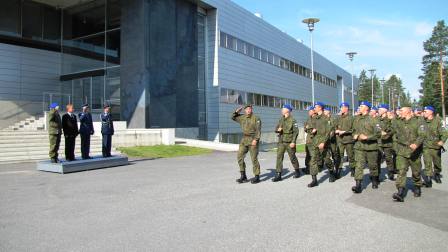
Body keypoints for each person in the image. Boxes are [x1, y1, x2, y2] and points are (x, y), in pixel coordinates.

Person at [392, 107, 425, 202]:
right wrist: (395, 146)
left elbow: (422, 135)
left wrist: (416, 144)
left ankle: (417, 186)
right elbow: (394, 134)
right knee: (401, 171)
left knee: (416, 172)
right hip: (401, 151)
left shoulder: (418, 122)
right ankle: (400, 192)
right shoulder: (399, 122)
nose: (400, 112)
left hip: (414, 152)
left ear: (408, 112)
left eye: (402, 111)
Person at [351, 101, 381, 193]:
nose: (359, 107)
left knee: (373, 165)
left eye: (362, 106)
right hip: (359, 146)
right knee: (359, 165)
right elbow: (353, 130)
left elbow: (379, 134)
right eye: (360, 106)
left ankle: (375, 180)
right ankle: (358, 185)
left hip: (371, 147)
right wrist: (355, 135)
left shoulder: (374, 119)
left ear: (367, 108)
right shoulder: (356, 119)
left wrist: (367, 137)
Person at [231, 104, 262, 184]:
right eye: (247, 109)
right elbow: (233, 117)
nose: (248, 110)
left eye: (250, 109)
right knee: (239, 156)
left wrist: (256, 139)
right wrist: (236, 112)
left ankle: (257, 176)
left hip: (253, 139)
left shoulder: (256, 118)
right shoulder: (242, 117)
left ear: (251, 109)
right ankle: (243, 176)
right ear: (245, 110)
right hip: (244, 139)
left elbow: (258, 130)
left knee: (254, 159)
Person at [273, 104, 300, 182]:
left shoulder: (293, 120)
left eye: (283, 108)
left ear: (288, 110)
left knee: (292, 157)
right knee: (279, 157)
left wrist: (293, 142)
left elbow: (296, 132)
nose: (282, 110)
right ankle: (278, 174)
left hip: (289, 142)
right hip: (281, 141)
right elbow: (276, 129)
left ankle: (297, 170)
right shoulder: (281, 119)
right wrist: (278, 129)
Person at [422, 106, 447, 186]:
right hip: (426, 146)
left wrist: (442, 141)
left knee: (437, 163)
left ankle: (436, 173)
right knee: (427, 162)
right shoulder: (422, 121)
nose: (424, 112)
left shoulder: (438, 121)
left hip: (436, 146)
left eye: (425, 111)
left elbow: (445, 132)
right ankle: (428, 179)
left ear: (431, 112)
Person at [307, 102, 331, 188]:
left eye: (316, 107)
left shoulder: (326, 118)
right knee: (313, 160)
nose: (314, 108)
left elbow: (328, 132)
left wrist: (323, 142)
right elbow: (308, 128)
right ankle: (314, 180)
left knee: (327, 159)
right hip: (314, 142)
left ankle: (331, 172)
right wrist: (311, 130)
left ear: (320, 108)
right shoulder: (314, 118)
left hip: (323, 142)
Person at [335, 102, 355, 177]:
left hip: (349, 140)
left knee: (350, 156)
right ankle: (338, 171)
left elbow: (354, 129)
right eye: (340, 107)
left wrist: (345, 132)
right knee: (339, 155)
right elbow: (334, 126)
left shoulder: (352, 118)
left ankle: (353, 169)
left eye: (342, 107)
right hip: (340, 140)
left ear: (346, 108)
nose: (341, 109)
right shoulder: (338, 117)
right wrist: (336, 130)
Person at [378, 104, 396, 180]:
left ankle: (390, 172)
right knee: (377, 159)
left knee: (389, 159)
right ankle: (376, 175)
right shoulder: (376, 119)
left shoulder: (390, 120)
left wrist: (384, 133)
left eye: (380, 109)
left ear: (385, 110)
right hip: (378, 142)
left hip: (387, 143)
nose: (378, 110)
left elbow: (391, 130)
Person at [323, 107, 339, 182]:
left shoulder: (334, 119)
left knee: (334, 155)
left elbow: (336, 128)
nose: (324, 112)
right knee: (326, 157)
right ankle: (331, 172)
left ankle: (337, 170)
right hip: (325, 140)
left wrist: (333, 132)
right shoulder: (322, 119)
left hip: (332, 140)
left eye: (325, 111)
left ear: (328, 112)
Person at [304, 106, 315, 174]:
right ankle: (307, 168)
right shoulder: (308, 119)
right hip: (308, 139)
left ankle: (313, 169)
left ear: (314, 111)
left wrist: (309, 127)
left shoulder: (316, 119)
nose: (309, 112)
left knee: (313, 155)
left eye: (310, 111)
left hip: (314, 139)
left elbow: (315, 128)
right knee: (308, 155)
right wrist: (307, 127)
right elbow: (305, 127)